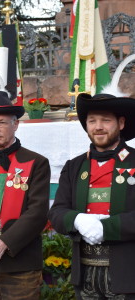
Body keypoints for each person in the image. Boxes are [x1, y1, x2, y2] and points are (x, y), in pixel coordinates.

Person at [48, 92, 135, 298]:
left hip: (128, 275)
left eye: (106, 120)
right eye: (92, 121)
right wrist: (77, 220)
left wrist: (106, 228)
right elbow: (57, 213)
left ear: (121, 123)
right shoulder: (74, 167)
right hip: (85, 277)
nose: (98, 127)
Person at [0, 90, 51, 299]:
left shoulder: (36, 162)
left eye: (2, 123)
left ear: (15, 124)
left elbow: (38, 212)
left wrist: (5, 242)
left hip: (21, 262)